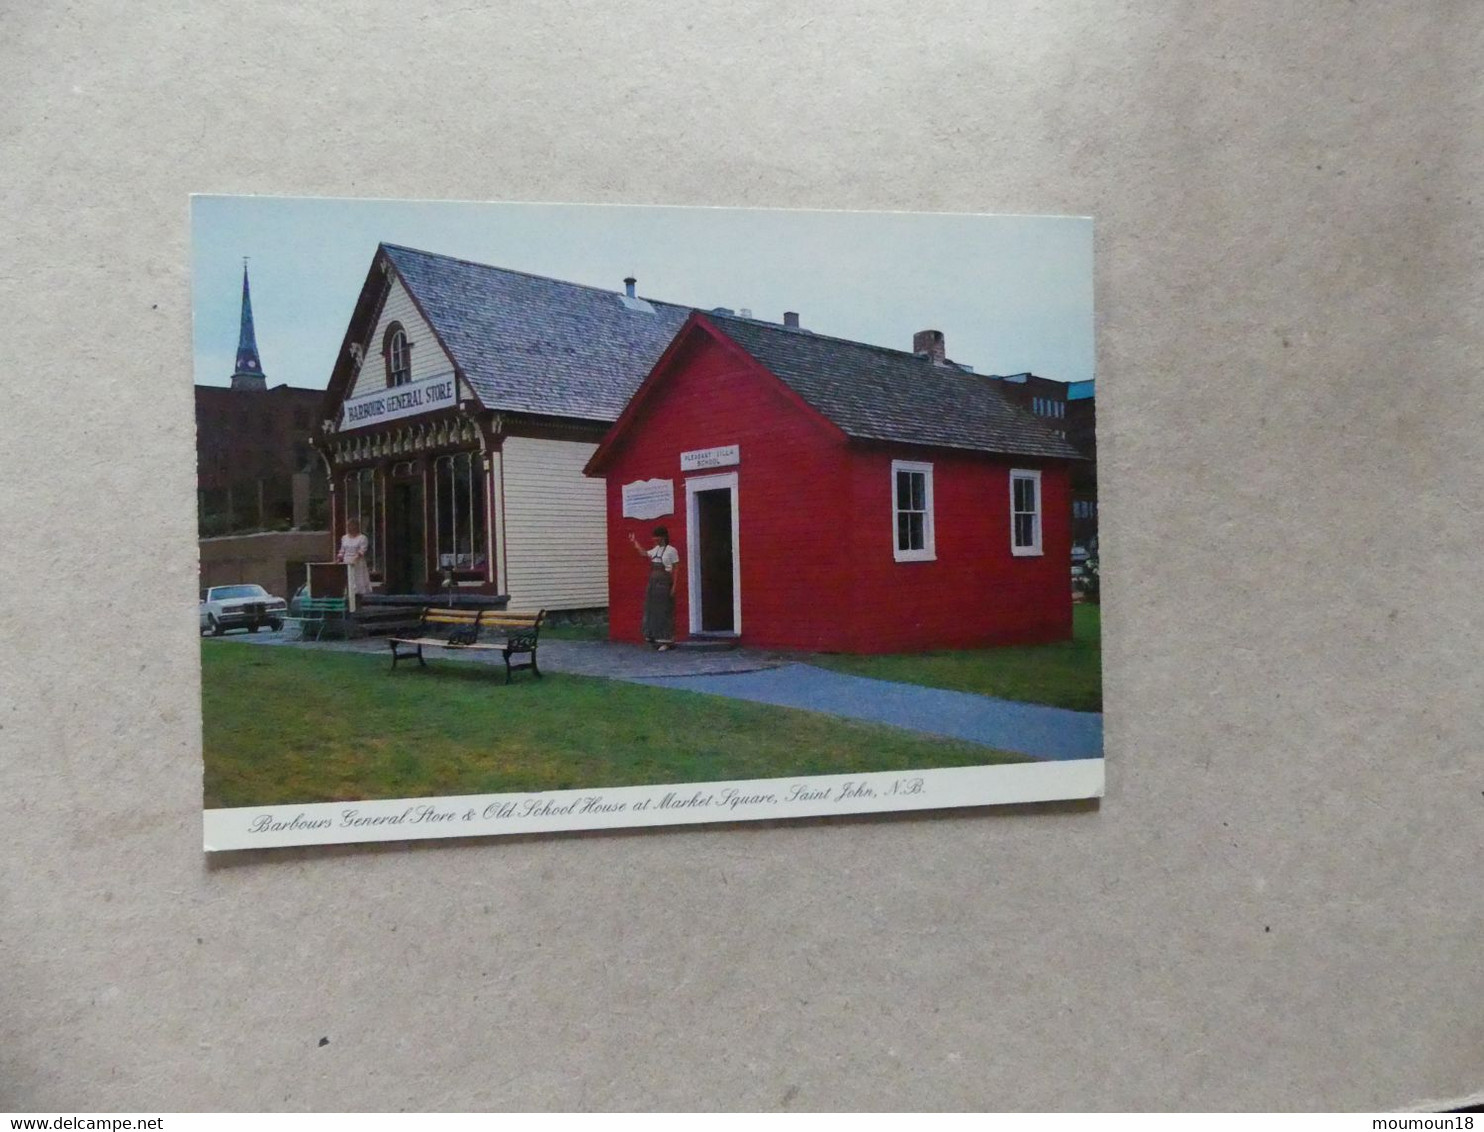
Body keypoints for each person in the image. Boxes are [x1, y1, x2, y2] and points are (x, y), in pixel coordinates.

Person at [629, 526, 679, 650]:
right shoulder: (656, 549)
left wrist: (674, 586)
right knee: (652, 609)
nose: (654, 539)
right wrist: (635, 542)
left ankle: (665, 640)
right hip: (653, 583)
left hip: (664, 582)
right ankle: (654, 637)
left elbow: (676, 568)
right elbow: (644, 553)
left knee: (663, 610)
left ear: (663, 537)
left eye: (657, 536)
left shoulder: (671, 550)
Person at [338, 518, 372, 596]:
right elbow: (342, 550)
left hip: (357, 562)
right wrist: (339, 558)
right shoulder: (344, 538)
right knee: (348, 579)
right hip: (346, 561)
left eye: (352, 526)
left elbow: (362, 550)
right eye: (348, 526)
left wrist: (355, 559)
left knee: (357, 579)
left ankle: (358, 596)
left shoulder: (362, 538)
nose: (350, 528)